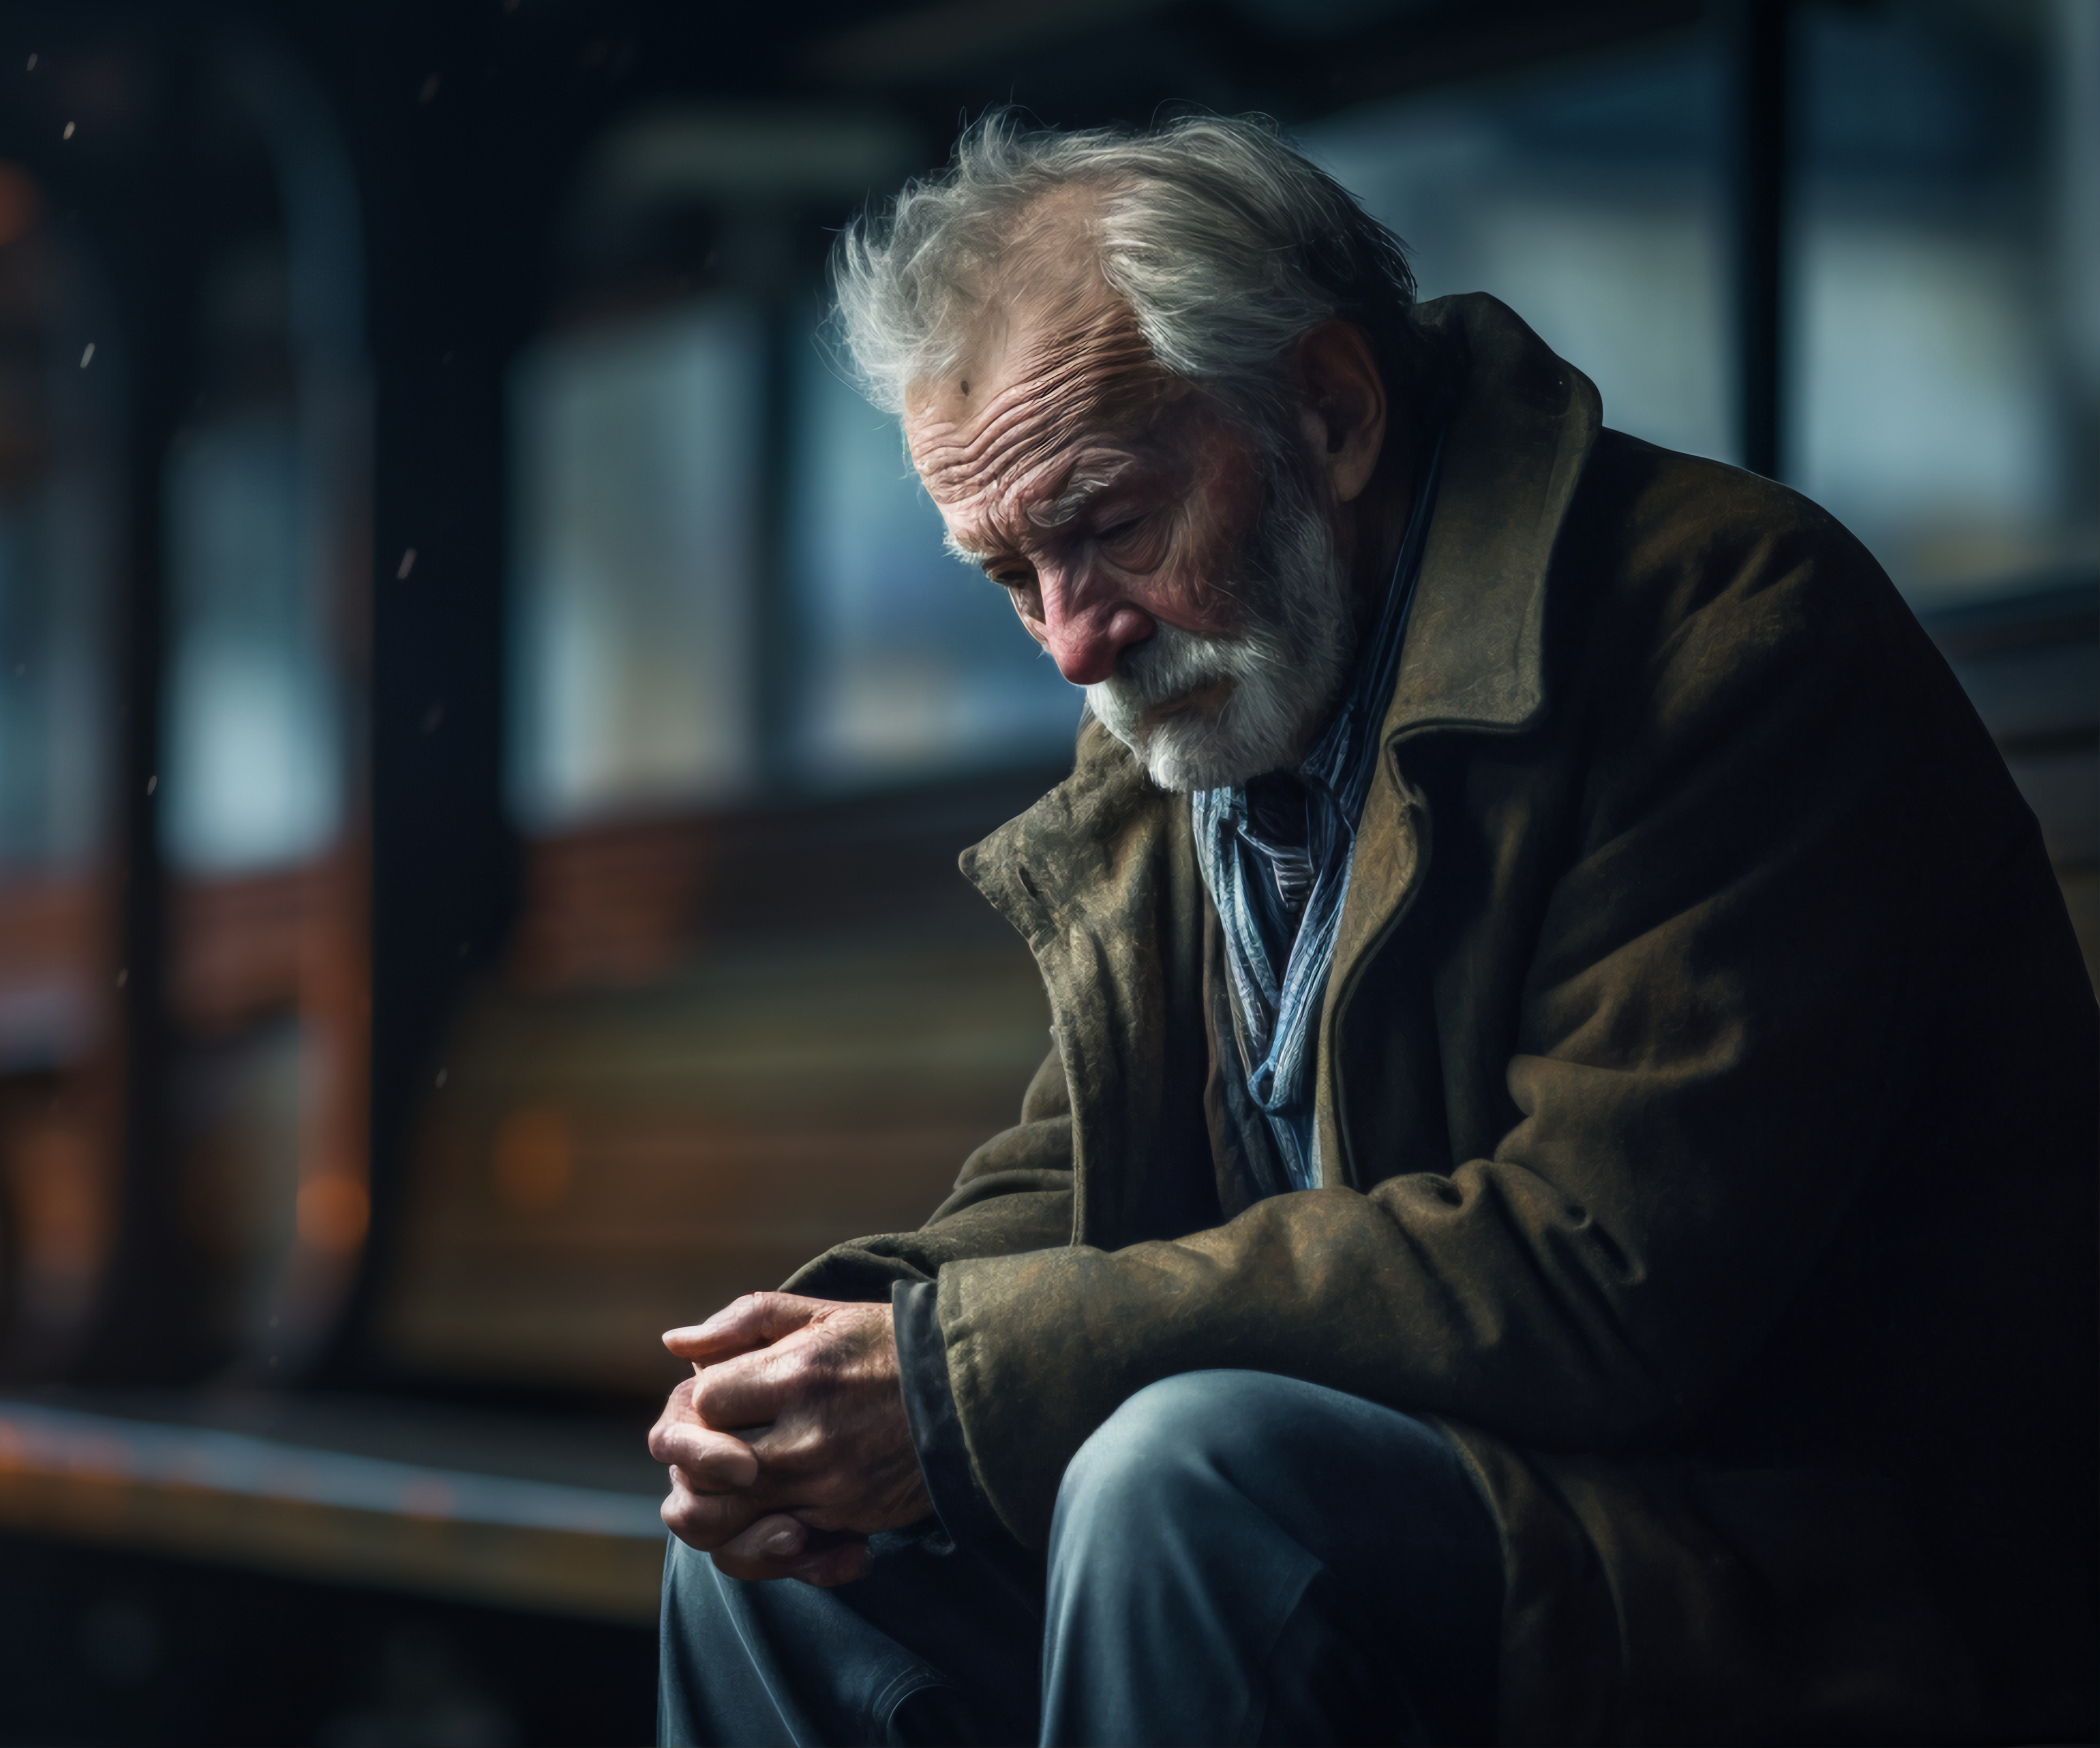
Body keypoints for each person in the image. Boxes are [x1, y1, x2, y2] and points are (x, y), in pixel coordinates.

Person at [650, 112, 2095, 1747]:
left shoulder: (1729, 631)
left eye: (1108, 524)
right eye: (1008, 574)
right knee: (782, 1561)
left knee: (1184, 1481)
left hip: (1816, 1586)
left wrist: (953, 1380)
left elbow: (1599, 1274)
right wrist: (827, 1362)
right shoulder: (1210, 701)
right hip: (1480, 1521)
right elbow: (1087, 1167)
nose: (1070, 641)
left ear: (1330, 410)